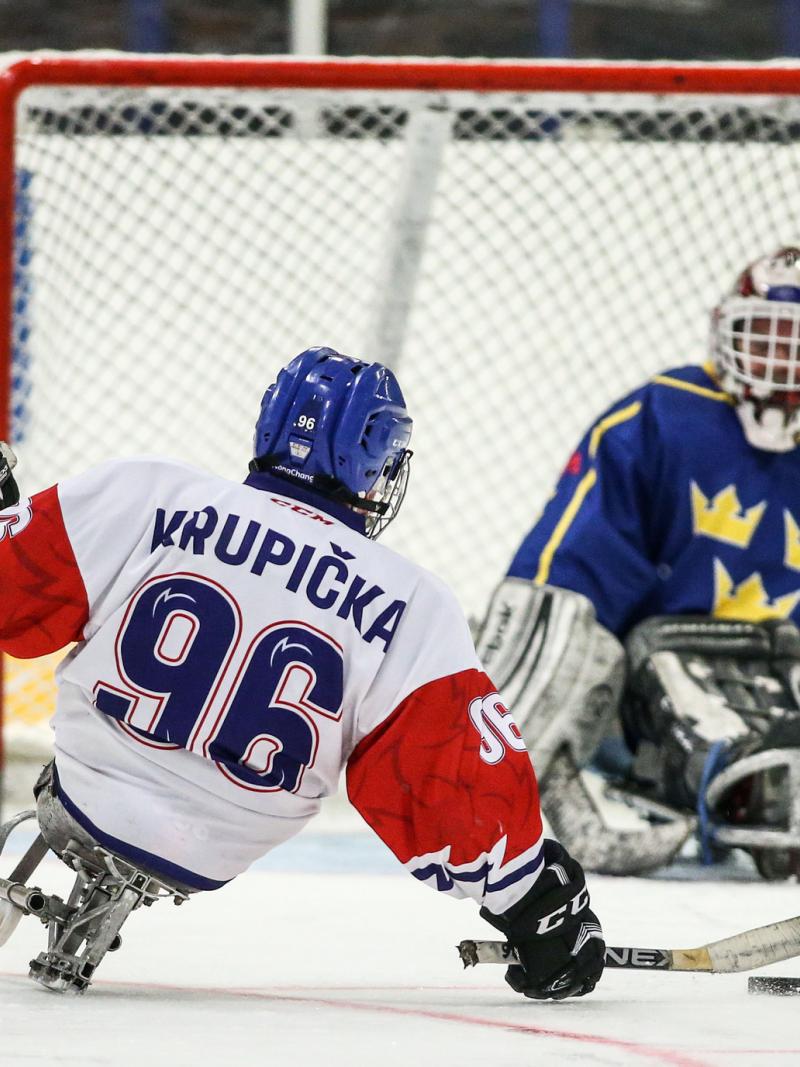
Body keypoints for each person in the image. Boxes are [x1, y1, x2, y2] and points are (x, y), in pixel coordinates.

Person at [0, 347, 604, 997]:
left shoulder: (145, 489)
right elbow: (446, 780)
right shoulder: (411, 601)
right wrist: (529, 893)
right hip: (213, 849)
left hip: (80, 797)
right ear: (376, 459)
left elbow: (15, 597)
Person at [476, 246, 800, 880]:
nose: (783, 363)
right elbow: (565, 584)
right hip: (649, 693)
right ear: (725, 334)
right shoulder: (664, 417)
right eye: (765, 339)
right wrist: (529, 741)